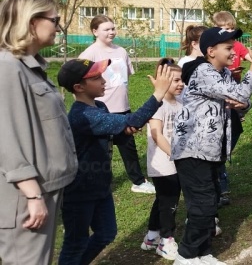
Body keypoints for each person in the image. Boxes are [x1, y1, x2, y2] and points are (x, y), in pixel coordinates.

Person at [57, 59, 174, 265]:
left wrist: (125, 130)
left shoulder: (99, 106)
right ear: (78, 87)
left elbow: (116, 133)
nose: (104, 81)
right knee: (76, 242)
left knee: (106, 233)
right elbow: (131, 120)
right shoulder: (82, 115)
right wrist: (158, 94)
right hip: (79, 191)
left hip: (100, 185)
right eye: (96, 78)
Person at [171, 27, 252, 264]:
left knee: (210, 203)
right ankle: (185, 255)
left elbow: (239, 100)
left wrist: (242, 107)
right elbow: (242, 93)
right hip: (193, 151)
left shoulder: (222, 72)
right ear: (211, 51)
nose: (234, 51)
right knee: (202, 205)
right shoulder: (205, 72)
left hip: (211, 151)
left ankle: (202, 252)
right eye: (228, 47)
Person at [0, 0, 78, 264]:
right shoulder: (8, 68)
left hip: (40, 189)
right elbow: (6, 137)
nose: (58, 27)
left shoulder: (27, 66)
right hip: (24, 195)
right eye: (55, 20)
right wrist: (32, 194)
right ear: (32, 22)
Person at [79, 15, 155, 194]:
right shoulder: (89, 54)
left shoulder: (121, 51)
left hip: (122, 107)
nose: (111, 32)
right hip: (100, 110)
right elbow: (79, 82)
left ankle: (138, 181)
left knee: (128, 146)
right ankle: (98, 182)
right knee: (100, 149)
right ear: (95, 31)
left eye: (113, 28)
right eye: (106, 29)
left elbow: (125, 79)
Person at [140, 58, 184, 261]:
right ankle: (166, 241)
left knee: (162, 200)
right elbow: (157, 134)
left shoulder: (180, 102)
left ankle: (151, 236)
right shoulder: (157, 105)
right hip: (163, 164)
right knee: (170, 203)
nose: (180, 83)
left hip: (176, 161)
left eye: (181, 79)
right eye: (175, 80)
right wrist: (174, 154)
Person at [210, 12, 249, 206]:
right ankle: (216, 187)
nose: (234, 53)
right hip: (215, 114)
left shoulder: (237, 49)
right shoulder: (204, 68)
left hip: (232, 103)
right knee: (216, 151)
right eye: (226, 29)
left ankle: (221, 186)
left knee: (224, 148)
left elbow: (242, 96)